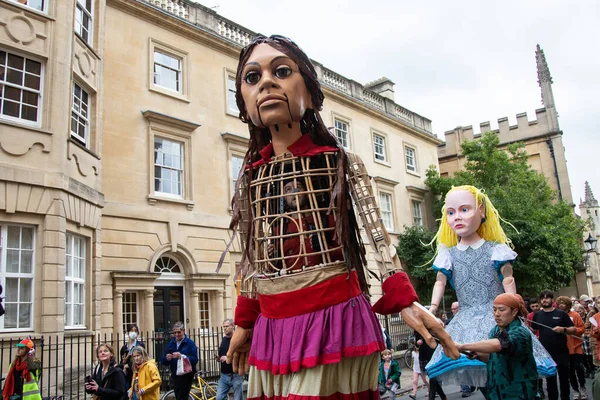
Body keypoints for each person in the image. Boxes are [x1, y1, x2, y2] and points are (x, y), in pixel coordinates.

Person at [221, 34, 458, 400]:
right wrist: (245, 319)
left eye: (281, 71)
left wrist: (404, 300)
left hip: (332, 315)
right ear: (244, 101)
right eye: (252, 77)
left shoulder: (340, 162)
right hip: (273, 324)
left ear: (312, 94)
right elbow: (254, 255)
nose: (266, 82)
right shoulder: (254, 176)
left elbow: (377, 237)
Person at [425, 185, 555, 391]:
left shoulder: (496, 250)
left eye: (464, 210)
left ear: (481, 211)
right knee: (482, 373)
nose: (457, 217)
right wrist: (432, 308)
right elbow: (439, 282)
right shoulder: (447, 254)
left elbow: (508, 280)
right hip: (464, 321)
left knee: (503, 363)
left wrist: (513, 305)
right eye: (451, 212)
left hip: (496, 315)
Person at [456, 293, 538, 400]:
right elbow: (496, 358)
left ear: (514, 312)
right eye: (494, 310)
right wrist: (480, 355)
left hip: (518, 392)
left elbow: (500, 345)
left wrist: (462, 346)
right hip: (496, 392)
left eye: (502, 310)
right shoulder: (494, 331)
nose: (497, 314)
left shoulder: (520, 332)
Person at [532, 291, 575, 400]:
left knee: (564, 378)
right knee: (550, 380)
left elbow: (573, 329)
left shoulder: (561, 314)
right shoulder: (537, 315)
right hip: (546, 352)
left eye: (547, 298)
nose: (544, 300)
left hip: (561, 351)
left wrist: (563, 329)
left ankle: (565, 398)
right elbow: (533, 330)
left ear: (552, 299)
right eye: (542, 298)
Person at [556, 296, 587, 399]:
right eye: (559, 303)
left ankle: (582, 387)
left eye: (563, 303)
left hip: (576, 346)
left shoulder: (575, 315)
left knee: (579, 368)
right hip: (565, 347)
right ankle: (575, 390)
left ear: (568, 304)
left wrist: (572, 331)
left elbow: (581, 328)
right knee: (570, 371)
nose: (561, 305)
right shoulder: (557, 316)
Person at [160, 322, 198, 400]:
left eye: (179, 332)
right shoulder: (171, 344)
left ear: (183, 331)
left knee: (182, 397)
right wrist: (167, 358)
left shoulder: (190, 343)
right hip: (175, 374)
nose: (177, 335)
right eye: (175, 333)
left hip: (186, 375)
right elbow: (163, 360)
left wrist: (181, 356)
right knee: (178, 396)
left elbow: (195, 359)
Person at [414, 332, 447, 400]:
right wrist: (417, 343)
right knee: (432, 378)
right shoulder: (417, 329)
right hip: (424, 356)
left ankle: (432, 398)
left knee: (433, 378)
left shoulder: (432, 326)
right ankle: (443, 397)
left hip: (434, 355)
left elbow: (439, 338)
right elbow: (416, 345)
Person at [216, 319, 244, 400]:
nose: (225, 328)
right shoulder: (224, 339)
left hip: (236, 375)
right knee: (219, 397)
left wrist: (228, 358)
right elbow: (222, 355)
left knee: (238, 398)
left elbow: (241, 356)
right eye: (224, 327)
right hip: (224, 375)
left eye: (227, 326)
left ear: (233, 326)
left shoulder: (238, 340)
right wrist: (219, 358)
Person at [120, 324, 145, 390]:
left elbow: (143, 360)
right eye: (131, 331)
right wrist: (124, 362)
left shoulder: (140, 345)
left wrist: (129, 365)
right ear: (128, 333)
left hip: (138, 373)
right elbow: (122, 363)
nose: (133, 333)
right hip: (128, 375)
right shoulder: (124, 348)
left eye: (135, 331)